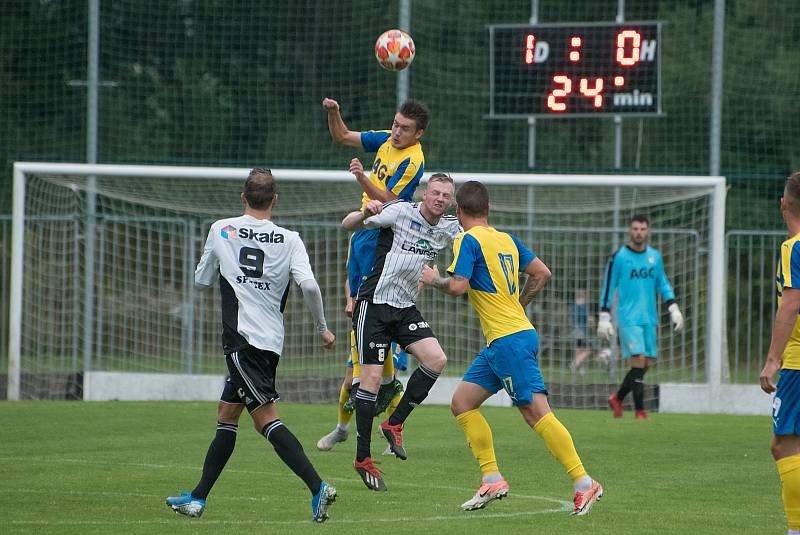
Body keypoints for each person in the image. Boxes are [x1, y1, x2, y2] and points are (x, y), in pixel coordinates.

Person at [420, 180, 603, 515]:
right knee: (462, 403)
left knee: (536, 412)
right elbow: (542, 273)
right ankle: (492, 478)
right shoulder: (506, 238)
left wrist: (433, 279)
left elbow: (459, 286)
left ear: (458, 212)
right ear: (488, 210)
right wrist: (520, 303)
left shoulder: (467, 239)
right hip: (504, 340)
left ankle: (584, 482)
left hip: (508, 340)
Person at [165, 169, 338, 523]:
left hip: (243, 342)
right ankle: (197, 498)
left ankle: (318, 487)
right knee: (227, 416)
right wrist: (322, 328)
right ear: (275, 200)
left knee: (266, 421)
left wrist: (219, 268)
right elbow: (309, 287)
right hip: (270, 342)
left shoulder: (221, 229)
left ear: (243, 197)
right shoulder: (291, 239)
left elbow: (201, 281)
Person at [316, 97, 429, 452]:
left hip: (385, 232)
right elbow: (343, 136)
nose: (396, 132)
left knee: (370, 365)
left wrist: (362, 177)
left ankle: (383, 427)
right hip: (366, 229)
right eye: (395, 124)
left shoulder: (414, 160)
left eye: (404, 129)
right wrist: (334, 113)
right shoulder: (385, 139)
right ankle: (358, 426)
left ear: (419, 133)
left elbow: (390, 198)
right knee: (365, 364)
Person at [341, 173, 461, 491]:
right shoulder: (401, 211)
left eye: (445, 195)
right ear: (425, 193)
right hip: (374, 305)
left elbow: (475, 240)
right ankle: (362, 459)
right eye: (434, 192)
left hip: (404, 308)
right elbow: (347, 225)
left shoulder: (450, 228)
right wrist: (366, 212)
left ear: (451, 200)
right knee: (370, 381)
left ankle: (393, 423)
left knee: (436, 359)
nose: (439, 198)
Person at [598, 215, 684, 420]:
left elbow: (662, 283)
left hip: (649, 319)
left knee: (646, 363)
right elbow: (608, 286)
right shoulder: (619, 256)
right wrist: (604, 315)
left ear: (648, 231)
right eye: (635, 228)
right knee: (638, 361)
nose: (639, 232)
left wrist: (673, 308)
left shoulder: (654, 256)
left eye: (643, 229)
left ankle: (617, 398)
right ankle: (640, 411)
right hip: (628, 319)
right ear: (630, 231)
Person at [759, 171, 800, 535]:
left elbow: (791, 303)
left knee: (783, 446)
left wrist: (773, 359)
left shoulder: (794, 247)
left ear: (783, 204)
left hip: (798, 365)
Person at [568, 289, 595, 375]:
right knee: (589, 349)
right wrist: (592, 320)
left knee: (579, 350)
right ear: (584, 296)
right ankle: (574, 364)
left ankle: (579, 370)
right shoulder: (583, 306)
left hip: (574, 330)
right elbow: (588, 319)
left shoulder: (573, 306)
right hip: (582, 330)